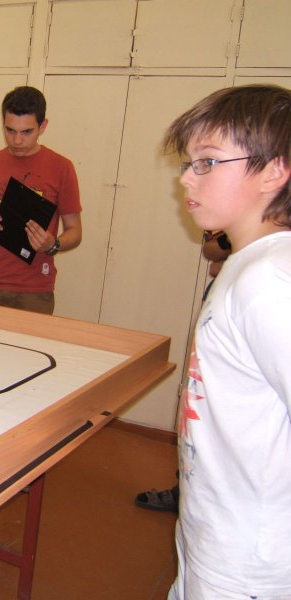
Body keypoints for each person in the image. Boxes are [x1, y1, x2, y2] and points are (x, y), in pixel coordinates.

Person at [164, 84, 291, 599]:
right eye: (189, 162)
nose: (186, 178)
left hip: (249, 563)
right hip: (213, 537)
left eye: (208, 162)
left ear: (274, 172)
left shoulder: (271, 280)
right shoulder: (245, 265)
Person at [0, 86, 82, 315]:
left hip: (34, 290)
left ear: (43, 126)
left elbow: (75, 231)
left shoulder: (61, 168)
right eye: (10, 130)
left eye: (26, 132)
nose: (16, 140)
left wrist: (53, 245)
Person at [135, 230, 232, 513]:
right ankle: (185, 492)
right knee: (200, 408)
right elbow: (212, 255)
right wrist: (231, 240)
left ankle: (209, 501)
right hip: (216, 311)